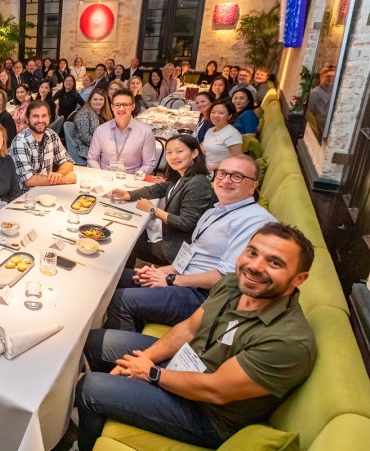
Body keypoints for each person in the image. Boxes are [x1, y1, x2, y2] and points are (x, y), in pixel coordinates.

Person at [76, 223, 316, 451]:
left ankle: (91, 430)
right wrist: (140, 361)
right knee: (96, 341)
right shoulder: (234, 284)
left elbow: (216, 390)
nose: (255, 266)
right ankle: (111, 407)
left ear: (299, 278)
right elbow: (189, 330)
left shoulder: (287, 342)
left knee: (90, 387)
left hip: (205, 414)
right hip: (185, 364)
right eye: (252, 253)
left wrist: (150, 373)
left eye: (275, 262)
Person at [102, 155, 276, 332]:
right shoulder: (216, 211)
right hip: (184, 279)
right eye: (222, 173)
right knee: (111, 277)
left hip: (204, 297)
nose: (226, 180)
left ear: (253, 186)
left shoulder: (255, 221)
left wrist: (172, 280)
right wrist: (160, 271)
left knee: (120, 300)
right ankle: (133, 325)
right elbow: (192, 253)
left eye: (237, 176)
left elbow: (228, 278)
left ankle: (118, 351)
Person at [110, 135, 215, 266]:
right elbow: (159, 189)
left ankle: (125, 279)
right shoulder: (182, 175)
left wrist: (152, 209)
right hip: (170, 235)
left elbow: (185, 223)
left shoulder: (197, 183)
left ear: (194, 153)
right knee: (129, 233)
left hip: (178, 248)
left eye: (179, 151)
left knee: (127, 243)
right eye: (169, 152)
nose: (173, 156)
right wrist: (130, 194)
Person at [11, 100, 77, 191]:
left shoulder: (51, 135)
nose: (40, 120)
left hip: (47, 191)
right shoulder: (20, 142)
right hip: (25, 197)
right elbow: (28, 180)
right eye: (35, 116)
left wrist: (60, 173)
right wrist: (64, 179)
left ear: (49, 118)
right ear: (27, 119)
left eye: (44, 116)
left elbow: (67, 161)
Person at [87, 89, 156, 173]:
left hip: (132, 180)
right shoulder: (101, 130)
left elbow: (149, 164)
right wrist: (101, 174)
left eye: (126, 105)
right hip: (105, 179)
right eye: (117, 105)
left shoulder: (145, 132)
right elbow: (92, 158)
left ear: (133, 106)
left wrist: (136, 176)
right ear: (112, 107)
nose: (121, 108)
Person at [202, 100, 243, 171]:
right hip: (206, 167)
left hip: (220, 171)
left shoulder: (232, 134)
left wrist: (212, 168)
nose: (215, 115)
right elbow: (203, 149)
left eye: (221, 113)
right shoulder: (210, 130)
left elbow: (237, 159)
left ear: (229, 116)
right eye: (213, 112)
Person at [73, 89, 112, 160]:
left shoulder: (103, 114)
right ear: (90, 101)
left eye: (101, 99)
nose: (98, 102)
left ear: (104, 101)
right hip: (86, 148)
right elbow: (85, 137)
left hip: (102, 147)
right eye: (95, 99)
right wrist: (103, 146)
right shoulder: (84, 114)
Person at [308, 65, 336, 134]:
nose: (331, 79)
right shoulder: (314, 94)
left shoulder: (335, 93)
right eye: (328, 76)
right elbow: (309, 115)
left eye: (333, 77)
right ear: (321, 78)